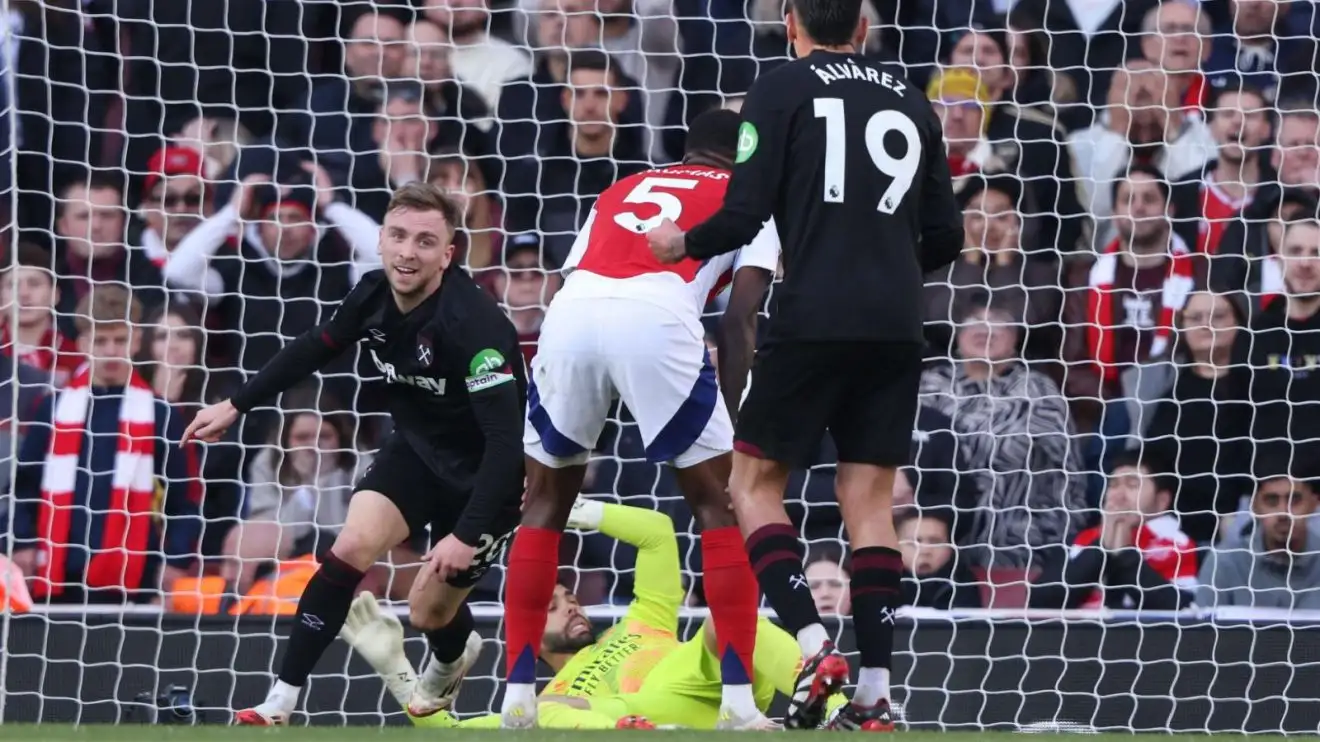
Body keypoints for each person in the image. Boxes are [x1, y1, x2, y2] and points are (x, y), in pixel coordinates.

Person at [646, 0, 963, 730]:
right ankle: (879, 693)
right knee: (872, 503)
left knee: (751, 485)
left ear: (790, 21)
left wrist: (681, 242)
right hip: (895, 324)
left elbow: (746, 211)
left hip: (814, 313)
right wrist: (882, 261)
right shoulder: (912, 99)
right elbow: (946, 233)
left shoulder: (780, 87)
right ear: (861, 24)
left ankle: (816, 645)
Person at [181, 183, 527, 725]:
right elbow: (312, 349)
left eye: (425, 241)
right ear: (382, 240)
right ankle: (281, 699)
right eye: (397, 236)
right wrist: (235, 404)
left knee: (427, 611)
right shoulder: (371, 293)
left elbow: (507, 446)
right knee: (349, 548)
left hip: (483, 476)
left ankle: (453, 652)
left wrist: (466, 532)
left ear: (448, 254)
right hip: (414, 453)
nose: (408, 252)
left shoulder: (475, 327)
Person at [501, 108, 779, 730]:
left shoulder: (621, 187)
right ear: (741, 156)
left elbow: (581, 275)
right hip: (657, 311)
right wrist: (737, 424)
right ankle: (737, 703)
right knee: (720, 504)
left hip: (571, 314)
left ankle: (518, 695)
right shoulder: (750, 199)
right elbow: (740, 321)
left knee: (544, 502)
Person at [341, 498, 846, 729]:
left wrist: (574, 508)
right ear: (526, 639)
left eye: (568, 596)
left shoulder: (644, 617)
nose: (572, 605)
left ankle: (836, 709)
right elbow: (447, 731)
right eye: (550, 606)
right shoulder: (543, 698)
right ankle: (630, 728)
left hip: (712, 683)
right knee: (556, 716)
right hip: (641, 717)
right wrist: (394, 667)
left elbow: (657, 532)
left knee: (729, 621)